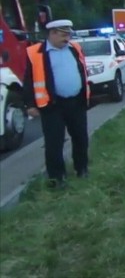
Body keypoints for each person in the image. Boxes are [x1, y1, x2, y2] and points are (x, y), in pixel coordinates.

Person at [22, 19, 91, 189]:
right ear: (52, 33)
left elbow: (81, 70)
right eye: (63, 34)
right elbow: (28, 81)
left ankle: (82, 168)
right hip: (52, 105)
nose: (67, 38)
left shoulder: (74, 48)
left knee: (81, 138)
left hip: (76, 102)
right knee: (54, 143)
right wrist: (30, 105)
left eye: (68, 34)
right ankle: (57, 178)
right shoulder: (36, 53)